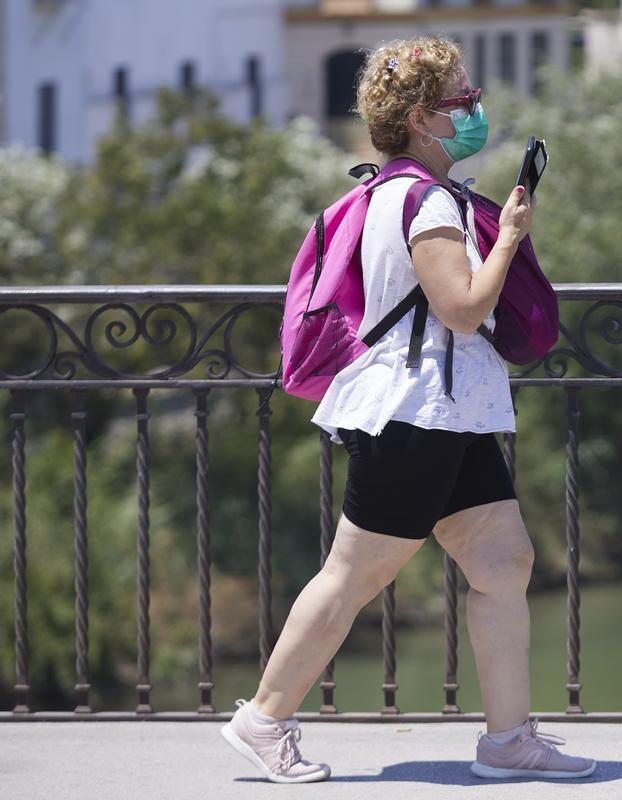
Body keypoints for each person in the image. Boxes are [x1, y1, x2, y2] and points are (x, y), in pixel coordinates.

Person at [220, 35, 596, 783]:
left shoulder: (403, 193)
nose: (476, 109)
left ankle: (508, 741)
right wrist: (509, 238)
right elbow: (462, 309)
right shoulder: (425, 203)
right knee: (352, 575)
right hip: (415, 414)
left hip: (447, 413)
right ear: (422, 119)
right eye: (463, 99)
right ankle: (262, 720)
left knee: (503, 561)